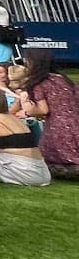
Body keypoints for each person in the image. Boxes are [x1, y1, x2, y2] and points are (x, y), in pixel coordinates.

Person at [13, 48, 79, 180]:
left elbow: (43, 110)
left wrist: (27, 111)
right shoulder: (64, 79)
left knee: (55, 156)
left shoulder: (41, 83)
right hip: (75, 121)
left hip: (58, 126)